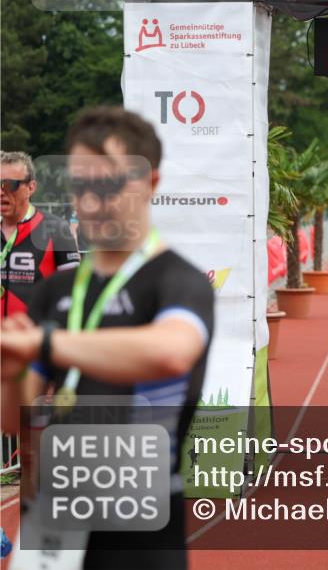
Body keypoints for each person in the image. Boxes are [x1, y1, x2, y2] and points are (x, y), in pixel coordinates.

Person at [0, 107, 215, 569]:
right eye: (81, 183)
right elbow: (11, 417)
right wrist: (10, 371)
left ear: (150, 183)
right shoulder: (59, 289)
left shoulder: (178, 281)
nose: (92, 201)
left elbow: (171, 352)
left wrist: (45, 344)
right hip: (54, 514)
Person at [1, 151, 80, 319]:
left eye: (9, 185)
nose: (1, 192)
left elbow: (73, 294)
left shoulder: (57, 229)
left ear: (31, 188)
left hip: (32, 340)